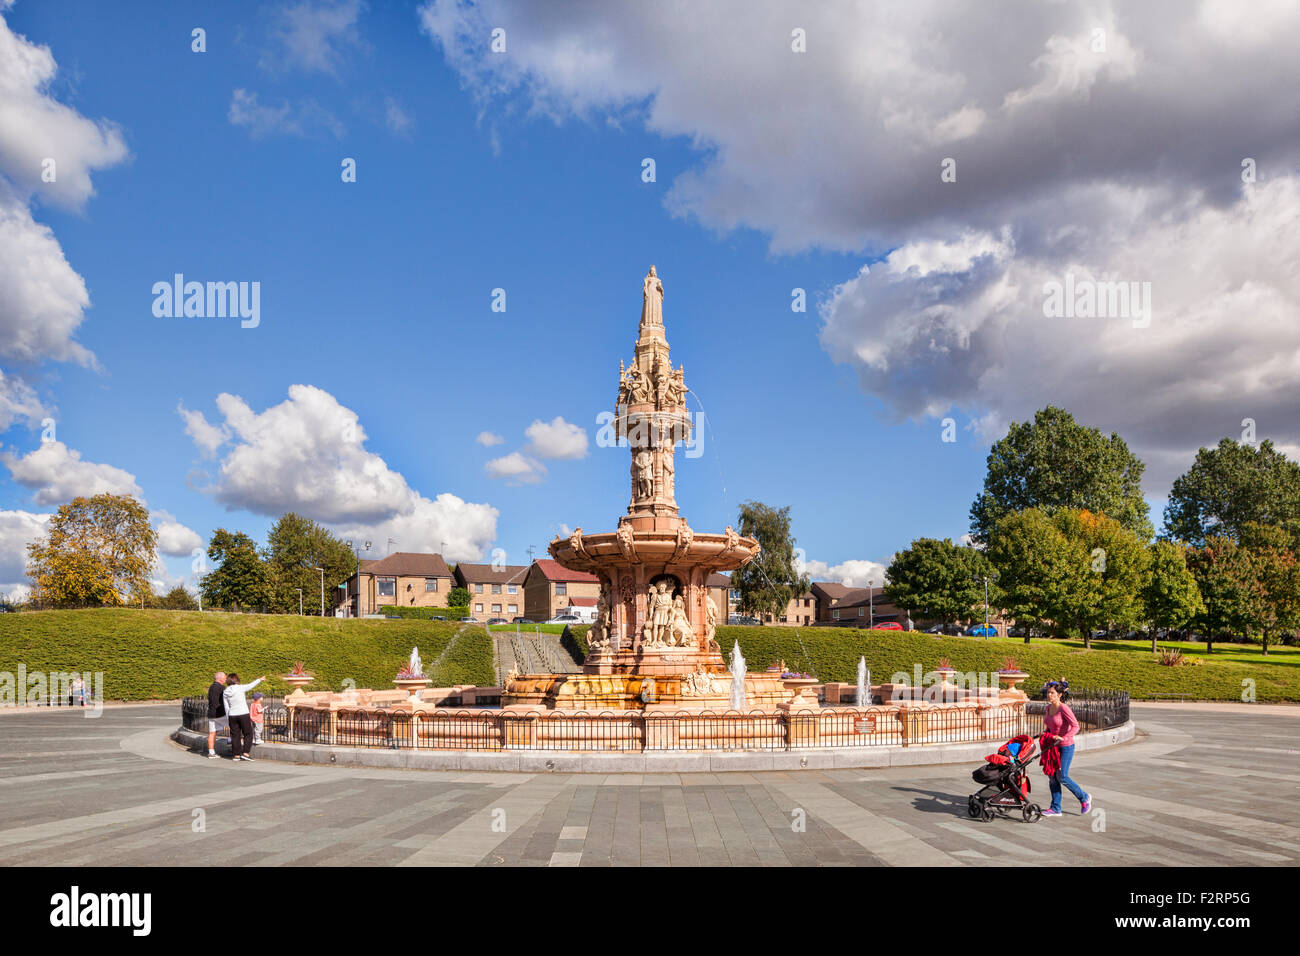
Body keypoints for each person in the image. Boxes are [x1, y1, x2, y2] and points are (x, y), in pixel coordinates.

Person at [1041, 680, 1091, 817]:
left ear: (1059, 695)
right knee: (1052, 776)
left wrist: (1065, 737)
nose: (1049, 695)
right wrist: (1046, 733)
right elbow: (1050, 726)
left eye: (1052, 693)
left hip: (1066, 746)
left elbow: (1076, 726)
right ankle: (1055, 808)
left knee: (1062, 776)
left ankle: (1084, 797)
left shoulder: (1064, 708)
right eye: (1048, 693)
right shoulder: (1047, 708)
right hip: (1052, 746)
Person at [222, 672, 265, 761]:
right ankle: (245, 753)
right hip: (243, 713)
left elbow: (226, 706)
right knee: (248, 733)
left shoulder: (225, 692)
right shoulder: (240, 688)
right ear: (236, 679)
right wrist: (259, 679)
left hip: (232, 715)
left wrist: (228, 717)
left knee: (235, 735)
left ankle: (236, 755)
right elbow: (251, 685)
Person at [206, 671, 228, 758]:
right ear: (221, 678)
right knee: (235, 726)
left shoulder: (211, 687)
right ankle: (231, 741)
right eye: (225, 677)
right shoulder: (222, 688)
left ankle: (211, 752)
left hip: (211, 713)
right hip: (220, 713)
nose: (226, 679)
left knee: (212, 733)